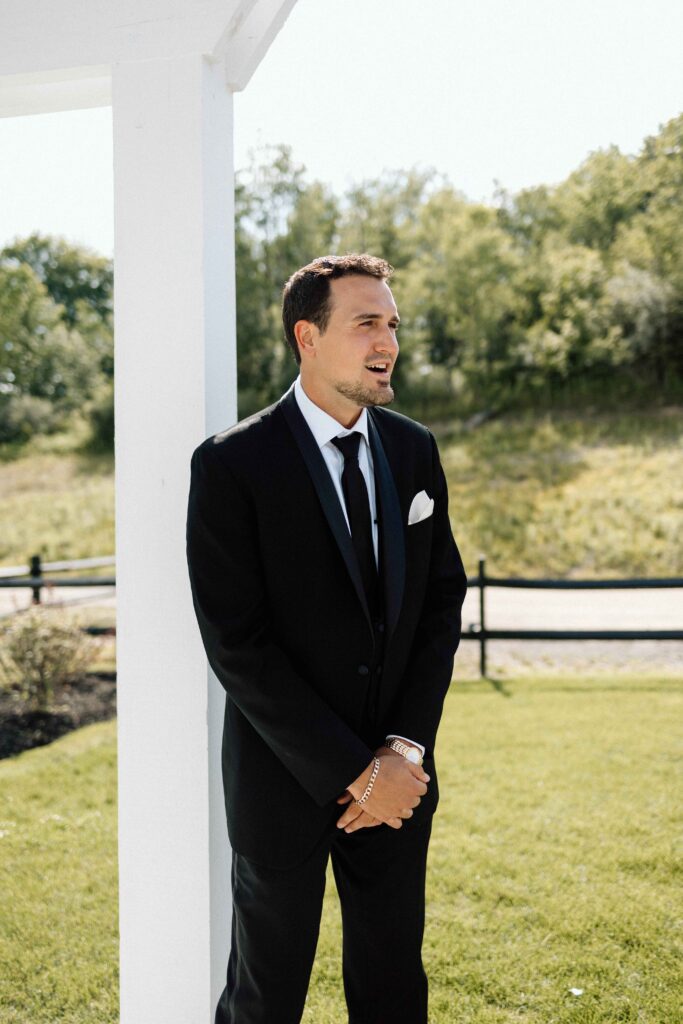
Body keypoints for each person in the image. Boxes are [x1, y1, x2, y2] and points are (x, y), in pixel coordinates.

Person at [185, 253, 468, 1024]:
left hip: (398, 782)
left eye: (393, 324)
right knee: (264, 995)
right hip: (282, 783)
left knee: (390, 987)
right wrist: (352, 770)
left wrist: (402, 752)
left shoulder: (413, 450)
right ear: (306, 336)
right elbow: (236, 643)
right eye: (367, 323)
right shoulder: (230, 464)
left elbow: (442, 602)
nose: (388, 341)